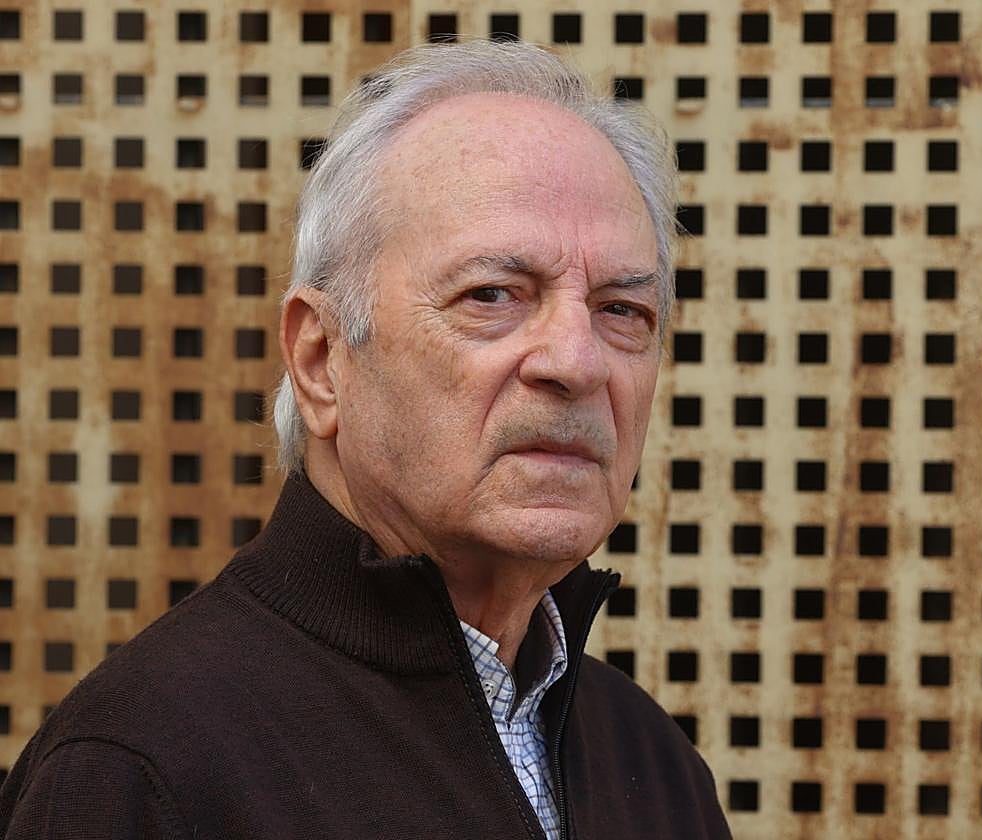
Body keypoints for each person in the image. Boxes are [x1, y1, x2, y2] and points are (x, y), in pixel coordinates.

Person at [0, 40, 731, 839]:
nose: (576, 362)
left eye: (622, 310)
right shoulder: (144, 771)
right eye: (492, 295)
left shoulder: (649, 759)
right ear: (320, 361)